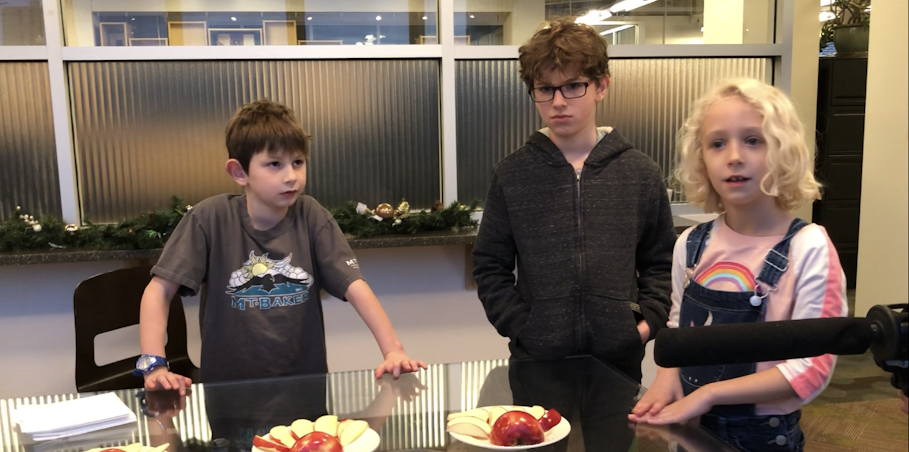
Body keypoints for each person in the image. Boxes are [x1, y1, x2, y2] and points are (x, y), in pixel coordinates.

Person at [630, 78, 848, 452]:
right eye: (717, 144)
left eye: (753, 140)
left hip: (763, 441)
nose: (734, 157)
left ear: (783, 150)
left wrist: (709, 394)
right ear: (700, 159)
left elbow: (812, 368)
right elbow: (678, 334)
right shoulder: (690, 246)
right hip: (691, 430)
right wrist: (666, 380)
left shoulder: (809, 247)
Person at [137, 99, 426, 393]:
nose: (291, 176)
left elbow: (355, 286)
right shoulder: (208, 218)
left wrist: (393, 350)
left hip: (305, 391)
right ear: (239, 172)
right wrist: (154, 364)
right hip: (229, 394)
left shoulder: (312, 216)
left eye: (298, 162)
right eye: (274, 164)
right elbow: (158, 291)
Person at [471, 19, 675, 383]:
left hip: (618, 363)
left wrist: (643, 326)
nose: (559, 102)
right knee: (538, 442)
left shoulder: (640, 172)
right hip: (535, 361)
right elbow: (490, 265)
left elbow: (661, 263)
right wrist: (522, 327)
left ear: (601, 86)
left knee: (614, 443)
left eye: (573, 86)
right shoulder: (512, 174)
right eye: (545, 89)